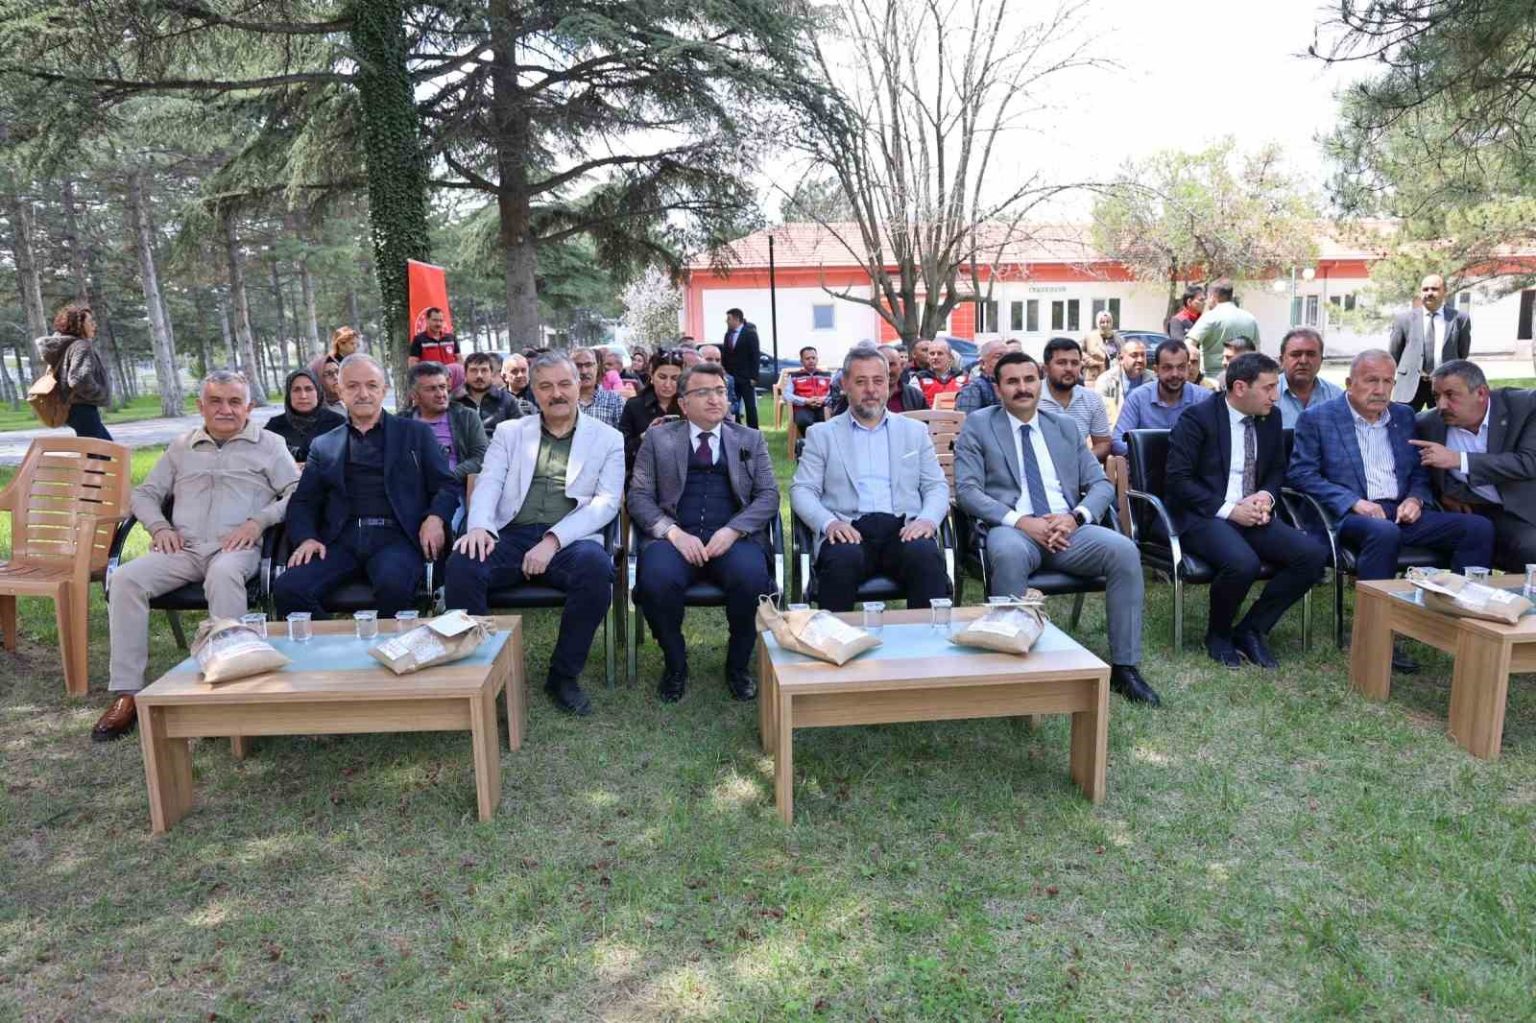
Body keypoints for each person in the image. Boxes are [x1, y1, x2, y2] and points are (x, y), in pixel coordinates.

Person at [92, 370, 300, 741]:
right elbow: (145, 494)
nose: (225, 409)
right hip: (183, 548)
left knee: (223, 574)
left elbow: (296, 491)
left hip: (236, 547)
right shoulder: (181, 446)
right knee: (125, 579)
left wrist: (258, 522)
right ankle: (127, 693)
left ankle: (231, 689)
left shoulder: (270, 444)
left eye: (234, 401)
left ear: (249, 407)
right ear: (200, 406)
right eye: (215, 401)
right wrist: (160, 527)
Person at [954, 352, 1159, 704]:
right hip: (1013, 528)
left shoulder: (1063, 426)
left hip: (1068, 530)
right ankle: (1009, 667)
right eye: (1012, 382)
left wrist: (1075, 517)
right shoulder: (979, 425)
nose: (1022, 388)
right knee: (1007, 553)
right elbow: (967, 491)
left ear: (1040, 383)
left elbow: (1100, 484)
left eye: (1028, 380)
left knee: (1125, 551)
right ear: (998, 389)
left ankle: (1125, 667)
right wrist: (1022, 521)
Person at [1289, 350, 1494, 670]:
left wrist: (1416, 500)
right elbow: (1301, 474)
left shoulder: (1404, 416)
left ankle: (1463, 623)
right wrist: (1353, 501)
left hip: (1400, 511)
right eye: (1372, 381)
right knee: (1383, 532)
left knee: (1477, 528)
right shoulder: (1318, 418)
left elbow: (1419, 472)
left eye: (1388, 381)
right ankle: (1375, 633)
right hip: (1346, 515)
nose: (1381, 390)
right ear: (1350, 383)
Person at [445, 353, 623, 717]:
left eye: (564, 384)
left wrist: (552, 541)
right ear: (533, 392)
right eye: (546, 386)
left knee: (595, 569)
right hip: (511, 533)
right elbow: (489, 482)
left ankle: (563, 676)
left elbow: (606, 503)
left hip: (570, 538)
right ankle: (481, 671)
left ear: (578, 385)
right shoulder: (511, 433)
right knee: (463, 561)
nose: (556, 393)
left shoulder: (608, 438)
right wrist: (479, 527)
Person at [1165, 352, 1328, 668]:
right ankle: (1218, 635)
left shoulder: (1271, 417)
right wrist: (1230, 510)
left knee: (1312, 556)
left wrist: (1265, 496)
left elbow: (1277, 469)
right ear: (1240, 387)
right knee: (1242, 563)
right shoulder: (1197, 419)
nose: (1275, 396)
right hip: (1204, 515)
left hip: (1252, 513)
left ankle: (1252, 629)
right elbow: (1178, 481)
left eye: (1275, 387)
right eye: (1268, 388)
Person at [629, 363, 778, 702]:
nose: (715, 399)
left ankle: (738, 665)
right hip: (676, 536)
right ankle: (675, 663)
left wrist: (734, 530)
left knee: (752, 579)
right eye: (704, 392)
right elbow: (638, 496)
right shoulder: (659, 439)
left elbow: (769, 496)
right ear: (683, 403)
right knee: (656, 581)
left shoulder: (750, 439)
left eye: (720, 391)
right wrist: (673, 533)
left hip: (731, 536)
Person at [273, 354, 459, 620]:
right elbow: (304, 501)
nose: (363, 394)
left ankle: (388, 645)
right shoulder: (324, 445)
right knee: (289, 588)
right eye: (352, 386)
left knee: (393, 585)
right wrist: (306, 538)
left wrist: (435, 517)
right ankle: (339, 645)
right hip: (339, 540)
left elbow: (446, 485)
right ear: (339, 392)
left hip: (398, 537)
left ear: (384, 390)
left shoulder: (415, 434)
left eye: (372, 385)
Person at [790, 347, 951, 611]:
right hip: (848, 529)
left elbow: (936, 486)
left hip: (904, 528)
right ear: (845, 385)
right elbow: (802, 490)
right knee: (841, 560)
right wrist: (829, 523)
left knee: (925, 556)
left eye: (878, 381)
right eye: (861, 382)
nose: (871, 390)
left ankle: (926, 636)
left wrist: (927, 520)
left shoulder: (914, 432)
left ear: (888, 383)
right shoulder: (822, 435)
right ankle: (833, 636)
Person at [1414, 360, 1536, 571]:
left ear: (1481, 393)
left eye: (1450, 395)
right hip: (1483, 511)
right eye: (1436, 396)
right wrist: (1443, 494)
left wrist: (1459, 460)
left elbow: (1529, 462)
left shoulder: (1526, 406)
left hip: (1528, 505)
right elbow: (1417, 471)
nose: (1441, 405)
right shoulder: (1427, 424)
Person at [1111, 340, 1211, 456]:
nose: (1175, 374)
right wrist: (1146, 456)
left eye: (1181, 367)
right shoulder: (1138, 398)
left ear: (1188, 368)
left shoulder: (1205, 399)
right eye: (1167, 368)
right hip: (1148, 465)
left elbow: (1219, 441)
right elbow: (1118, 442)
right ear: (1156, 370)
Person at [1389, 274, 1472, 409]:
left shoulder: (1459, 319)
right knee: (1404, 421)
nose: (1429, 293)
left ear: (1445, 291)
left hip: (1444, 385)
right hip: (1409, 386)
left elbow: (1462, 353)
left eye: (1434, 289)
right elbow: (1393, 355)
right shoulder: (1404, 319)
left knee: (1443, 422)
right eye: (1425, 289)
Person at [36, 303, 113, 440]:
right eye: (90, 322)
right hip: (82, 408)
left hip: (71, 408)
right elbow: (78, 378)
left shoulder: (68, 346)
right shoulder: (81, 346)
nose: (94, 325)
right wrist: (99, 393)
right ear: (78, 325)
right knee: (103, 449)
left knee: (99, 448)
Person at [403, 361, 489, 481]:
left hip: (455, 484)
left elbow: (481, 457)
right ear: (414, 395)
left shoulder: (466, 417)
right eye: (431, 389)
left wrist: (449, 475)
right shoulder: (401, 423)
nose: (440, 394)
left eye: (442, 387)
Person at [1037, 337, 1112, 461]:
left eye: (1074, 363)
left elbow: (1103, 443)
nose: (1069, 368)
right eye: (1061, 363)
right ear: (1046, 368)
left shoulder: (1092, 399)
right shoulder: (1031, 397)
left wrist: (1082, 461)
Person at [619, 348, 685, 475]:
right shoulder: (634, 406)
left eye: (674, 378)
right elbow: (621, 453)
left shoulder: (689, 405)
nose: (668, 384)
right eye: (662, 377)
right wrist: (644, 436)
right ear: (652, 376)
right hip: (643, 474)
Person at [265, 368, 345, 464]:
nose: (303, 396)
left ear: (318, 392)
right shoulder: (274, 426)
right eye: (296, 390)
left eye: (309, 389)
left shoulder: (337, 423)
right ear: (289, 395)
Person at [1187, 278, 1260, 377]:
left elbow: (1189, 345)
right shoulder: (1250, 319)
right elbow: (1257, 352)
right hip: (1244, 377)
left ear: (1213, 296)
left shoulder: (1210, 317)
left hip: (1212, 377)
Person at [1276, 327, 1343, 427]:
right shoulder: (1267, 395)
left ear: (1321, 360)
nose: (1303, 361)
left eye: (1311, 354)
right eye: (1296, 355)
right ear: (1282, 360)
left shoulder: (1336, 397)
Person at [457, 351, 525, 433]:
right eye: (473, 370)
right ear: (465, 374)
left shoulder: (507, 401)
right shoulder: (454, 402)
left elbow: (521, 431)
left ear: (491, 373)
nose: (479, 375)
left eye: (484, 370)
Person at [721, 308, 762, 428]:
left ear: (736, 319)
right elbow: (725, 354)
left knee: (750, 406)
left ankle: (753, 430)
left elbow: (755, 355)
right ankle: (737, 428)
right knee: (734, 405)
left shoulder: (750, 333)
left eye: (729, 318)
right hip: (732, 377)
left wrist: (754, 377)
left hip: (746, 377)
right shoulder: (728, 335)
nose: (726, 321)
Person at [1093, 338, 1149, 424]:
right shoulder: (1106, 381)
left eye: (1143, 355)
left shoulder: (1154, 380)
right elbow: (1101, 416)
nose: (1140, 360)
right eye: (1134, 355)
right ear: (1121, 359)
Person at [571, 347, 625, 428]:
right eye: (578, 366)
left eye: (589, 365)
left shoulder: (614, 400)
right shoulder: (565, 400)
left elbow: (623, 433)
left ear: (597, 367)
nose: (584, 371)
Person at [785, 346, 834, 434]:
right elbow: (787, 395)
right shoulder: (794, 376)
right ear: (801, 361)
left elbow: (834, 392)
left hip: (823, 406)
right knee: (803, 420)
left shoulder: (827, 375)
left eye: (813, 358)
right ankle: (809, 440)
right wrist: (805, 401)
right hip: (803, 408)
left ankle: (823, 440)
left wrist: (823, 399)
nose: (811, 361)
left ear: (817, 359)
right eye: (807, 358)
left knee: (831, 418)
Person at [955, 339, 1006, 413]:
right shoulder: (972, 389)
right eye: (998, 357)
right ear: (982, 363)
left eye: (1008, 356)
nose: (1005, 360)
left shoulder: (1014, 385)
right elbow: (968, 418)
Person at [913, 339, 968, 405]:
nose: (935, 357)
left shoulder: (963, 377)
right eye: (932, 354)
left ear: (950, 357)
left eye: (940, 353)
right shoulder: (918, 378)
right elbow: (915, 405)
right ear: (928, 358)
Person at [1081, 310, 1124, 379]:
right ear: (1097, 323)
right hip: (1094, 376)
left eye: (1108, 322)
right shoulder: (1090, 337)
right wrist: (1090, 361)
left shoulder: (1118, 338)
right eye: (1102, 322)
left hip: (1113, 376)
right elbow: (1080, 352)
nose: (1105, 325)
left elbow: (1124, 355)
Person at [697, 343, 740, 413]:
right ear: (699, 360)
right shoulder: (691, 380)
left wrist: (728, 407)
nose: (714, 363)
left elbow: (735, 403)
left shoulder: (728, 379)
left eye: (717, 360)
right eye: (709, 359)